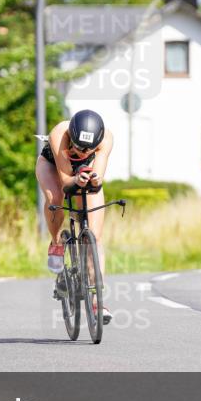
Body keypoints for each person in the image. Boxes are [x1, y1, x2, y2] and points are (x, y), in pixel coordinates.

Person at [36, 109, 114, 324]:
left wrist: (94, 180)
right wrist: (76, 180)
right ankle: (56, 243)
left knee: (95, 238)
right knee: (56, 199)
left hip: (84, 173)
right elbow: (65, 181)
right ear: (72, 136)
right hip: (53, 166)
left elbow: (97, 180)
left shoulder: (106, 138)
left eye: (88, 149)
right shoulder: (60, 133)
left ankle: (97, 300)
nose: (82, 152)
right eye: (78, 147)